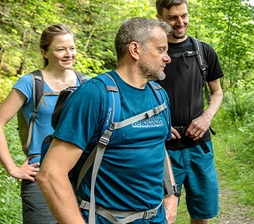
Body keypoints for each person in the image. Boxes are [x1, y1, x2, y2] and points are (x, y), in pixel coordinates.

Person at [36, 18, 178, 224]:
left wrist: (171, 195)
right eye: (161, 49)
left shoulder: (159, 95)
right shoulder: (95, 95)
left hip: (157, 218)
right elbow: (50, 174)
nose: (167, 58)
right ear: (135, 50)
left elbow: (159, 147)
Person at [0, 24, 85, 224]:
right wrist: (13, 168)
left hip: (80, 172)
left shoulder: (85, 84)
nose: (69, 54)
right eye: (60, 49)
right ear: (44, 52)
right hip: (41, 173)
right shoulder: (30, 83)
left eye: (72, 48)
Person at [155, 0, 224, 224]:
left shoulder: (203, 51)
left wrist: (206, 118)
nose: (180, 22)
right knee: (162, 214)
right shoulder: (151, 54)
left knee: (202, 213)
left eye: (184, 15)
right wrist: (160, 126)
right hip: (162, 147)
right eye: (173, 17)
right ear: (160, 18)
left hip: (199, 145)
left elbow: (217, 92)